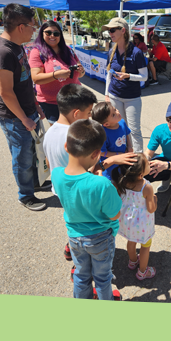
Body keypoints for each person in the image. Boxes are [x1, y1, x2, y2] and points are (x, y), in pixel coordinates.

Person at [43, 84, 138, 264]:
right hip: (82, 190)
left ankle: (72, 247)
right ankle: (84, 259)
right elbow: (90, 167)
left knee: (73, 220)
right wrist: (110, 162)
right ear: (76, 113)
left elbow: (49, 164)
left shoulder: (50, 133)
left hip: (61, 188)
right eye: (88, 114)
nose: (90, 118)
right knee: (89, 226)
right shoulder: (76, 137)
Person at [51, 119, 122, 300]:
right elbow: (115, 215)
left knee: (81, 275)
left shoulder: (56, 174)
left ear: (67, 146)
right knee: (102, 278)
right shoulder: (102, 184)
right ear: (96, 153)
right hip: (100, 238)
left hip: (74, 237)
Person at [0, 3, 52, 212]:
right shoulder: (4, 52)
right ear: (21, 27)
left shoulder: (18, 46)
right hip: (14, 117)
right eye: (33, 26)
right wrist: (24, 118)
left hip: (28, 111)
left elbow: (25, 81)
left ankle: (35, 182)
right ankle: (26, 195)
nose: (35, 30)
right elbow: (6, 92)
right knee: (22, 156)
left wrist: (36, 104)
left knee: (32, 151)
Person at [102, 17, 148, 153]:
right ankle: (125, 155)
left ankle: (138, 159)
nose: (110, 33)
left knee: (134, 130)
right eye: (108, 31)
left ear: (123, 31)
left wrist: (128, 76)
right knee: (120, 127)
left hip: (132, 98)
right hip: (114, 95)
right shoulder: (111, 51)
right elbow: (109, 74)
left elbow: (144, 77)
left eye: (112, 30)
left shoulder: (136, 53)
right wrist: (106, 95)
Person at [28, 20, 85, 125]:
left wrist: (81, 71)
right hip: (53, 103)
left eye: (56, 33)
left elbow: (81, 75)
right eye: (48, 33)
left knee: (78, 131)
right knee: (60, 134)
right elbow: (36, 78)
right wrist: (56, 75)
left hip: (76, 99)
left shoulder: (68, 50)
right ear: (42, 34)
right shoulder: (37, 52)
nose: (52, 36)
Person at [111, 153, 157, 280]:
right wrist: (154, 199)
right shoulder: (146, 187)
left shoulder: (122, 181)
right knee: (145, 246)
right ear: (141, 175)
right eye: (147, 164)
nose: (149, 163)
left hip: (127, 222)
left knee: (131, 241)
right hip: (142, 225)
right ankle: (142, 271)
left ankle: (132, 261)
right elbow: (151, 208)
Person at [91, 101, 133, 181]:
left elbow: (127, 134)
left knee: (122, 179)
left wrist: (129, 146)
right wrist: (117, 155)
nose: (117, 112)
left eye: (115, 109)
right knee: (113, 182)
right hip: (109, 166)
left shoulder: (122, 122)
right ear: (106, 124)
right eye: (113, 115)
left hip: (122, 161)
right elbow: (102, 152)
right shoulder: (102, 134)